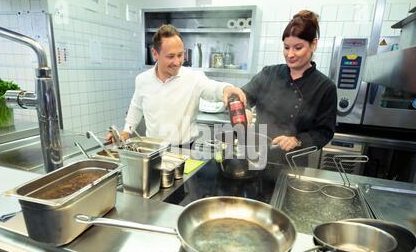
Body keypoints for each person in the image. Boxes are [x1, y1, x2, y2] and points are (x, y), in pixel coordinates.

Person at [106, 24, 245, 148]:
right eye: (170, 56)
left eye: (180, 55)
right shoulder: (142, 80)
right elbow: (136, 108)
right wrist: (126, 131)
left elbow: (213, 88)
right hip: (152, 149)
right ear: (155, 53)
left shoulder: (193, 78)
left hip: (184, 149)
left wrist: (227, 89)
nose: (177, 62)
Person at [239, 10, 337, 164]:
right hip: (256, 156)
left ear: (314, 44)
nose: (290, 54)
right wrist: (242, 110)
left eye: (298, 48)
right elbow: (241, 97)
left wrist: (297, 140)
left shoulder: (325, 87)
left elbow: (325, 132)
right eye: (286, 47)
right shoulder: (269, 73)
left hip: (293, 162)